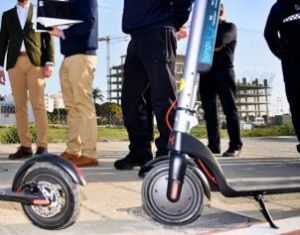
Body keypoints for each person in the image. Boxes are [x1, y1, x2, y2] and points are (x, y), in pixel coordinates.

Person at [114, 0, 193, 170]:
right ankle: (140, 151)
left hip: (159, 31)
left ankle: (168, 151)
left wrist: (173, 22)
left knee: (163, 97)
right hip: (136, 36)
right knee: (130, 100)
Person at [0, 0, 54, 159]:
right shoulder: (7, 15)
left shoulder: (40, 11)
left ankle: (42, 146)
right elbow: (2, 41)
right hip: (14, 64)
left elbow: (48, 38)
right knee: (19, 106)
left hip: (36, 63)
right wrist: (0, 67)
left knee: (38, 105)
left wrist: (49, 62)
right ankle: (25, 146)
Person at [49, 0, 99, 167]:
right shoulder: (68, 3)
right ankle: (73, 150)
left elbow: (89, 22)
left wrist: (63, 34)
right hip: (68, 56)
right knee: (71, 106)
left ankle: (90, 153)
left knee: (83, 105)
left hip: (82, 55)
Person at [199, 4, 242, 157]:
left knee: (230, 110)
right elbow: (198, 48)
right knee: (210, 113)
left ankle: (235, 145)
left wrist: (207, 44)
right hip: (206, 73)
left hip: (224, 72)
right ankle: (213, 145)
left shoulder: (230, 27)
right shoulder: (203, 31)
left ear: (221, 12)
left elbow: (218, 42)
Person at [264, 0, 300, 154]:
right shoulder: (279, 6)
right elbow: (269, 33)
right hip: (292, 62)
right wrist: (282, 52)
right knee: (296, 102)